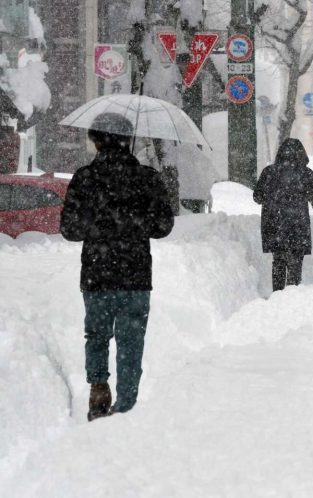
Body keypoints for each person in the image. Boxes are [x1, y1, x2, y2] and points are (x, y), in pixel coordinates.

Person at [60, 112, 174, 421]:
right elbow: (163, 226)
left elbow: (70, 229)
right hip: (135, 275)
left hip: (97, 274)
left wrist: (99, 223)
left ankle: (99, 385)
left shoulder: (85, 178)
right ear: (127, 141)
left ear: (95, 140)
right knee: (131, 340)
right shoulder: (147, 178)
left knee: (96, 335)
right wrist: (134, 221)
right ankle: (126, 404)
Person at [253, 138, 313, 292]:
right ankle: (292, 293)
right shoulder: (305, 174)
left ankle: (277, 294)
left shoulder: (269, 172)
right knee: (295, 262)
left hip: (274, 226)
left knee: (278, 261)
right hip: (297, 226)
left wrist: (272, 197)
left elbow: (257, 197)